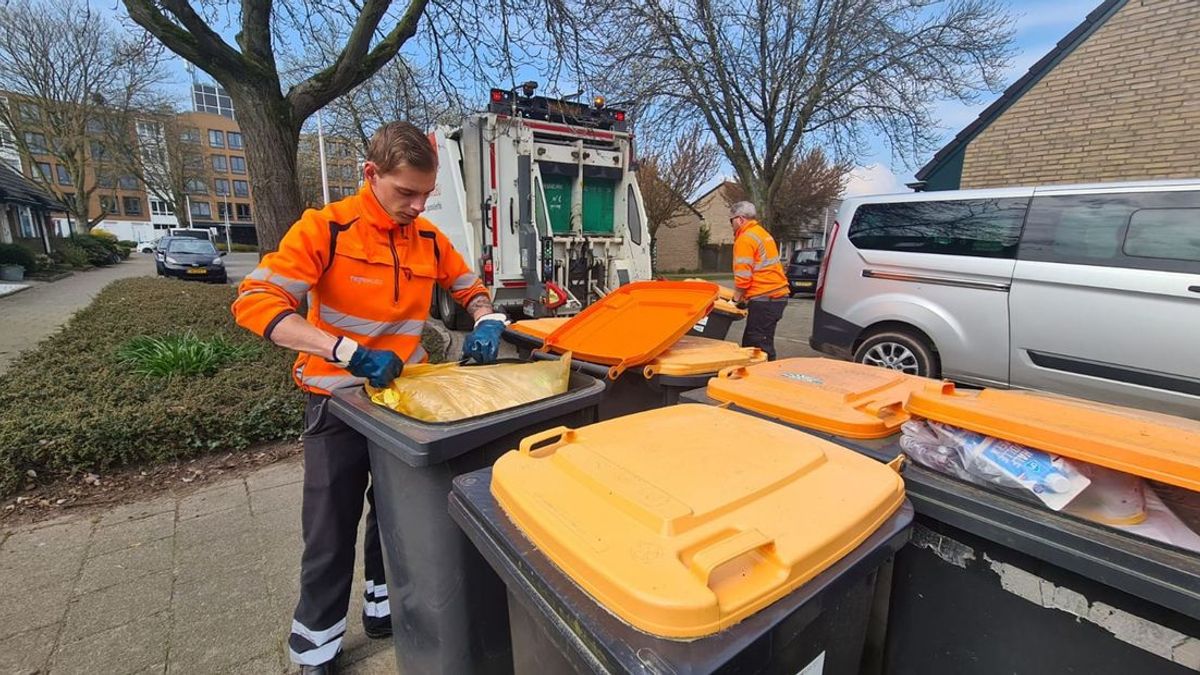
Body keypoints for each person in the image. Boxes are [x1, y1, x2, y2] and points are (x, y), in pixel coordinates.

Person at [231, 121, 506, 674]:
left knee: (396, 516)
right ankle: (315, 646)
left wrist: (485, 319)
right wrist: (345, 351)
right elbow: (256, 302)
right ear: (370, 174)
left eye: (426, 195)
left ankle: (384, 609)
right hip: (338, 402)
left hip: (403, 400)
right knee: (330, 527)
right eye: (406, 193)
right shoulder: (325, 230)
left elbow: (469, 286)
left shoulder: (428, 238)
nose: (417, 206)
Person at [729, 201, 789, 360]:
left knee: (758, 345)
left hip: (766, 298)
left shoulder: (745, 238)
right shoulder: (762, 233)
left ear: (740, 219)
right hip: (773, 296)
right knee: (757, 341)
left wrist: (735, 300)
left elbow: (743, 277)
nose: (731, 224)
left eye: (731, 220)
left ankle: (765, 378)